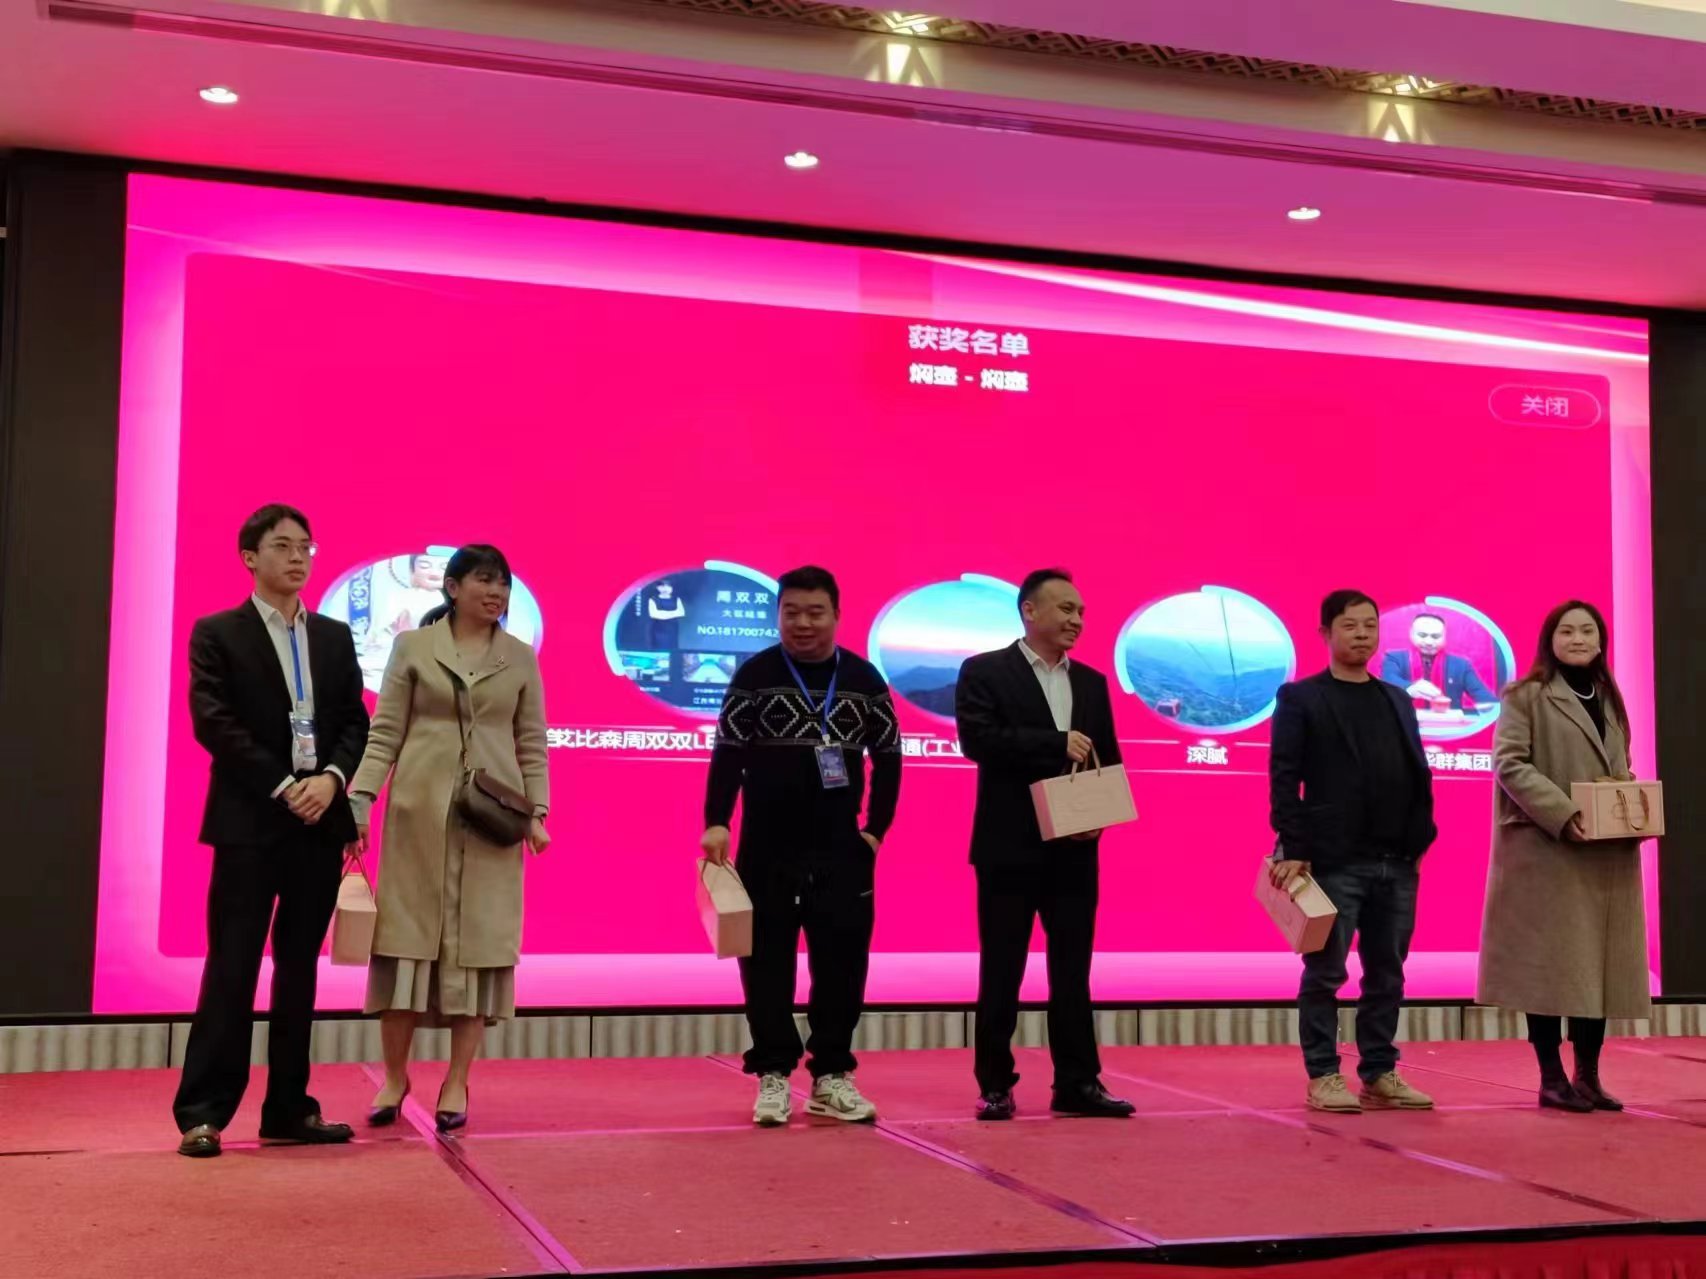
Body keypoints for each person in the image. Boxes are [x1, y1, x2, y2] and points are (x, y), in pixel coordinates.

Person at [173, 504, 370, 1158]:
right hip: (250, 822)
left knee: (298, 970)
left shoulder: (334, 636)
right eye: (283, 546)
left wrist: (332, 779)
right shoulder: (217, 632)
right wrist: (285, 785)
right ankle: (203, 1113)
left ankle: (288, 1107)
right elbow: (214, 722)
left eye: (306, 547)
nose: (298, 557)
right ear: (249, 557)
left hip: (319, 823)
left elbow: (354, 721)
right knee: (232, 965)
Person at [351, 544, 551, 1133]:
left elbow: (531, 742)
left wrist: (537, 812)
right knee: (404, 944)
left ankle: (458, 1080)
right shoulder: (414, 647)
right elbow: (385, 732)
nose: (496, 592)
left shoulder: (519, 657)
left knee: (480, 948)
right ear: (454, 587)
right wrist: (361, 800)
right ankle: (394, 1077)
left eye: (503, 583)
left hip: (491, 821)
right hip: (417, 815)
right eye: (484, 580)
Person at [701, 566, 902, 1127]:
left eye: (815, 612)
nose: (803, 623)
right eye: (791, 612)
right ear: (778, 615)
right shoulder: (755, 676)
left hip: (841, 847)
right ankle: (772, 1073)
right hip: (767, 846)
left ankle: (832, 1075)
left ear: (836, 615)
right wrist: (717, 821)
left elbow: (889, 759)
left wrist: (874, 831)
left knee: (842, 964)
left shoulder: (864, 680)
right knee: (765, 962)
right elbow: (728, 754)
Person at [956, 568, 1134, 1122]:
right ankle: (995, 1085)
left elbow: (1107, 756)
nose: (1076, 620)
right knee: (1002, 969)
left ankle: (1077, 1083)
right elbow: (977, 740)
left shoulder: (1092, 682)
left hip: (1075, 850)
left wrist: (1101, 817)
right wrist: (1054, 743)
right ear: (1029, 611)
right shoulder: (985, 670)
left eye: (1081, 611)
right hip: (1008, 847)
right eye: (1065, 609)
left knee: (1073, 970)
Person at [1269, 589, 1438, 1114]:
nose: (1362, 634)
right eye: (1350, 625)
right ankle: (1323, 1074)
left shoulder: (1396, 699)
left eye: (1370, 625)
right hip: (1333, 859)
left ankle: (1379, 1072)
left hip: (1397, 860)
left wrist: (1422, 836)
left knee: (1388, 973)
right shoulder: (1302, 698)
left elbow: (1416, 772)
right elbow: (1284, 779)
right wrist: (1293, 846)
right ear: (1326, 633)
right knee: (1326, 974)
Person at [1477, 601, 1650, 1112]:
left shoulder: (1610, 697)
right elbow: (1510, 763)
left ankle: (1588, 1076)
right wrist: (1564, 811)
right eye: (1567, 630)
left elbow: (1621, 766)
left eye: (1587, 631)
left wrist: (1631, 809)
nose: (1578, 639)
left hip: (1603, 853)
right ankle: (1551, 1078)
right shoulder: (1525, 694)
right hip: (1547, 849)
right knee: (1549, 969)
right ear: (1549, 640)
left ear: (1600, 641)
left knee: (1597, 968)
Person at [1378, 613, 1495, 712]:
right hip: (1402, 725)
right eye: (1422, 635)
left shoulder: (1461, 665)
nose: (1429, 642)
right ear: (1411, 634)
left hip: (1450, 727)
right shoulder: (1394, 658)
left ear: (1444, 637)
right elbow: (1388, 679)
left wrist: (1488, 707)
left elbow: (1483, 696)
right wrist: (1410, 688)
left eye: (1436, 636)